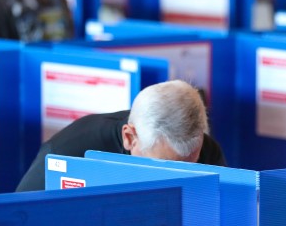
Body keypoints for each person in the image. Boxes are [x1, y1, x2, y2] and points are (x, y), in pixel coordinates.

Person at [16, 80, 227, 192]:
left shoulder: (207, 151)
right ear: (130, 137)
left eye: (191, 162)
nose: (175, 176)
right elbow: (19, 220)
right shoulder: (68, 153)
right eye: (164, 165)